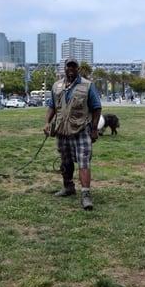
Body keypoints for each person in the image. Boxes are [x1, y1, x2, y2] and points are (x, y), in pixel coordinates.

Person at [43, 58, 102, 210]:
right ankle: (68, 187)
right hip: (62, 131)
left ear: (78, 69)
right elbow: (52, 106)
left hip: (81, 130)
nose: (70, 69)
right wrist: (47, 123)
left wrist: (94, 129)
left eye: (73, 66)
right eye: (68, 66)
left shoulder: (87, 85)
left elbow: (96, 107)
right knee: (65, 161)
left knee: (83, 161)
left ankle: (86, 195)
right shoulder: (57, 86)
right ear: (64, 68)